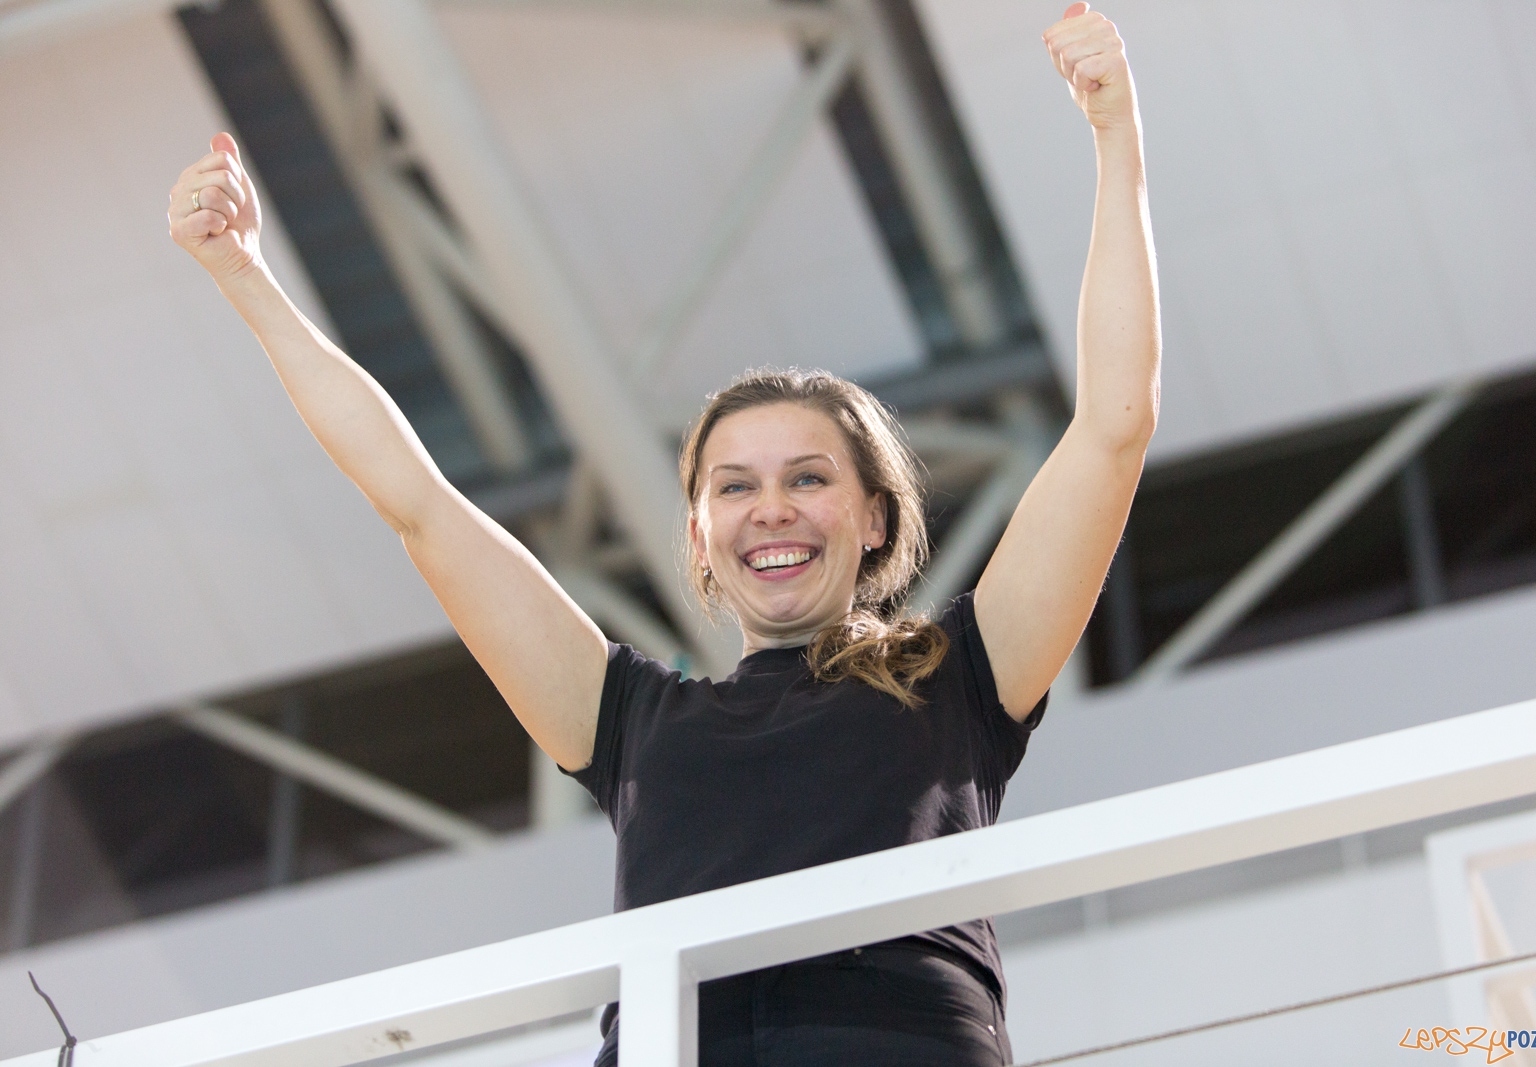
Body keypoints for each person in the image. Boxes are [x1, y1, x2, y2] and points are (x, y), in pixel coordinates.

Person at [166, 3, 1156, 1063]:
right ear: (698, 533)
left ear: (874, 517)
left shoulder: (959, 678)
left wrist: (1115, 137)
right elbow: (417, 501)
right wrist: (244, 279)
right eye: (734, 486)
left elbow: (1112, 427)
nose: (768, 508)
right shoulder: (631, 718)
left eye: (808, 477)